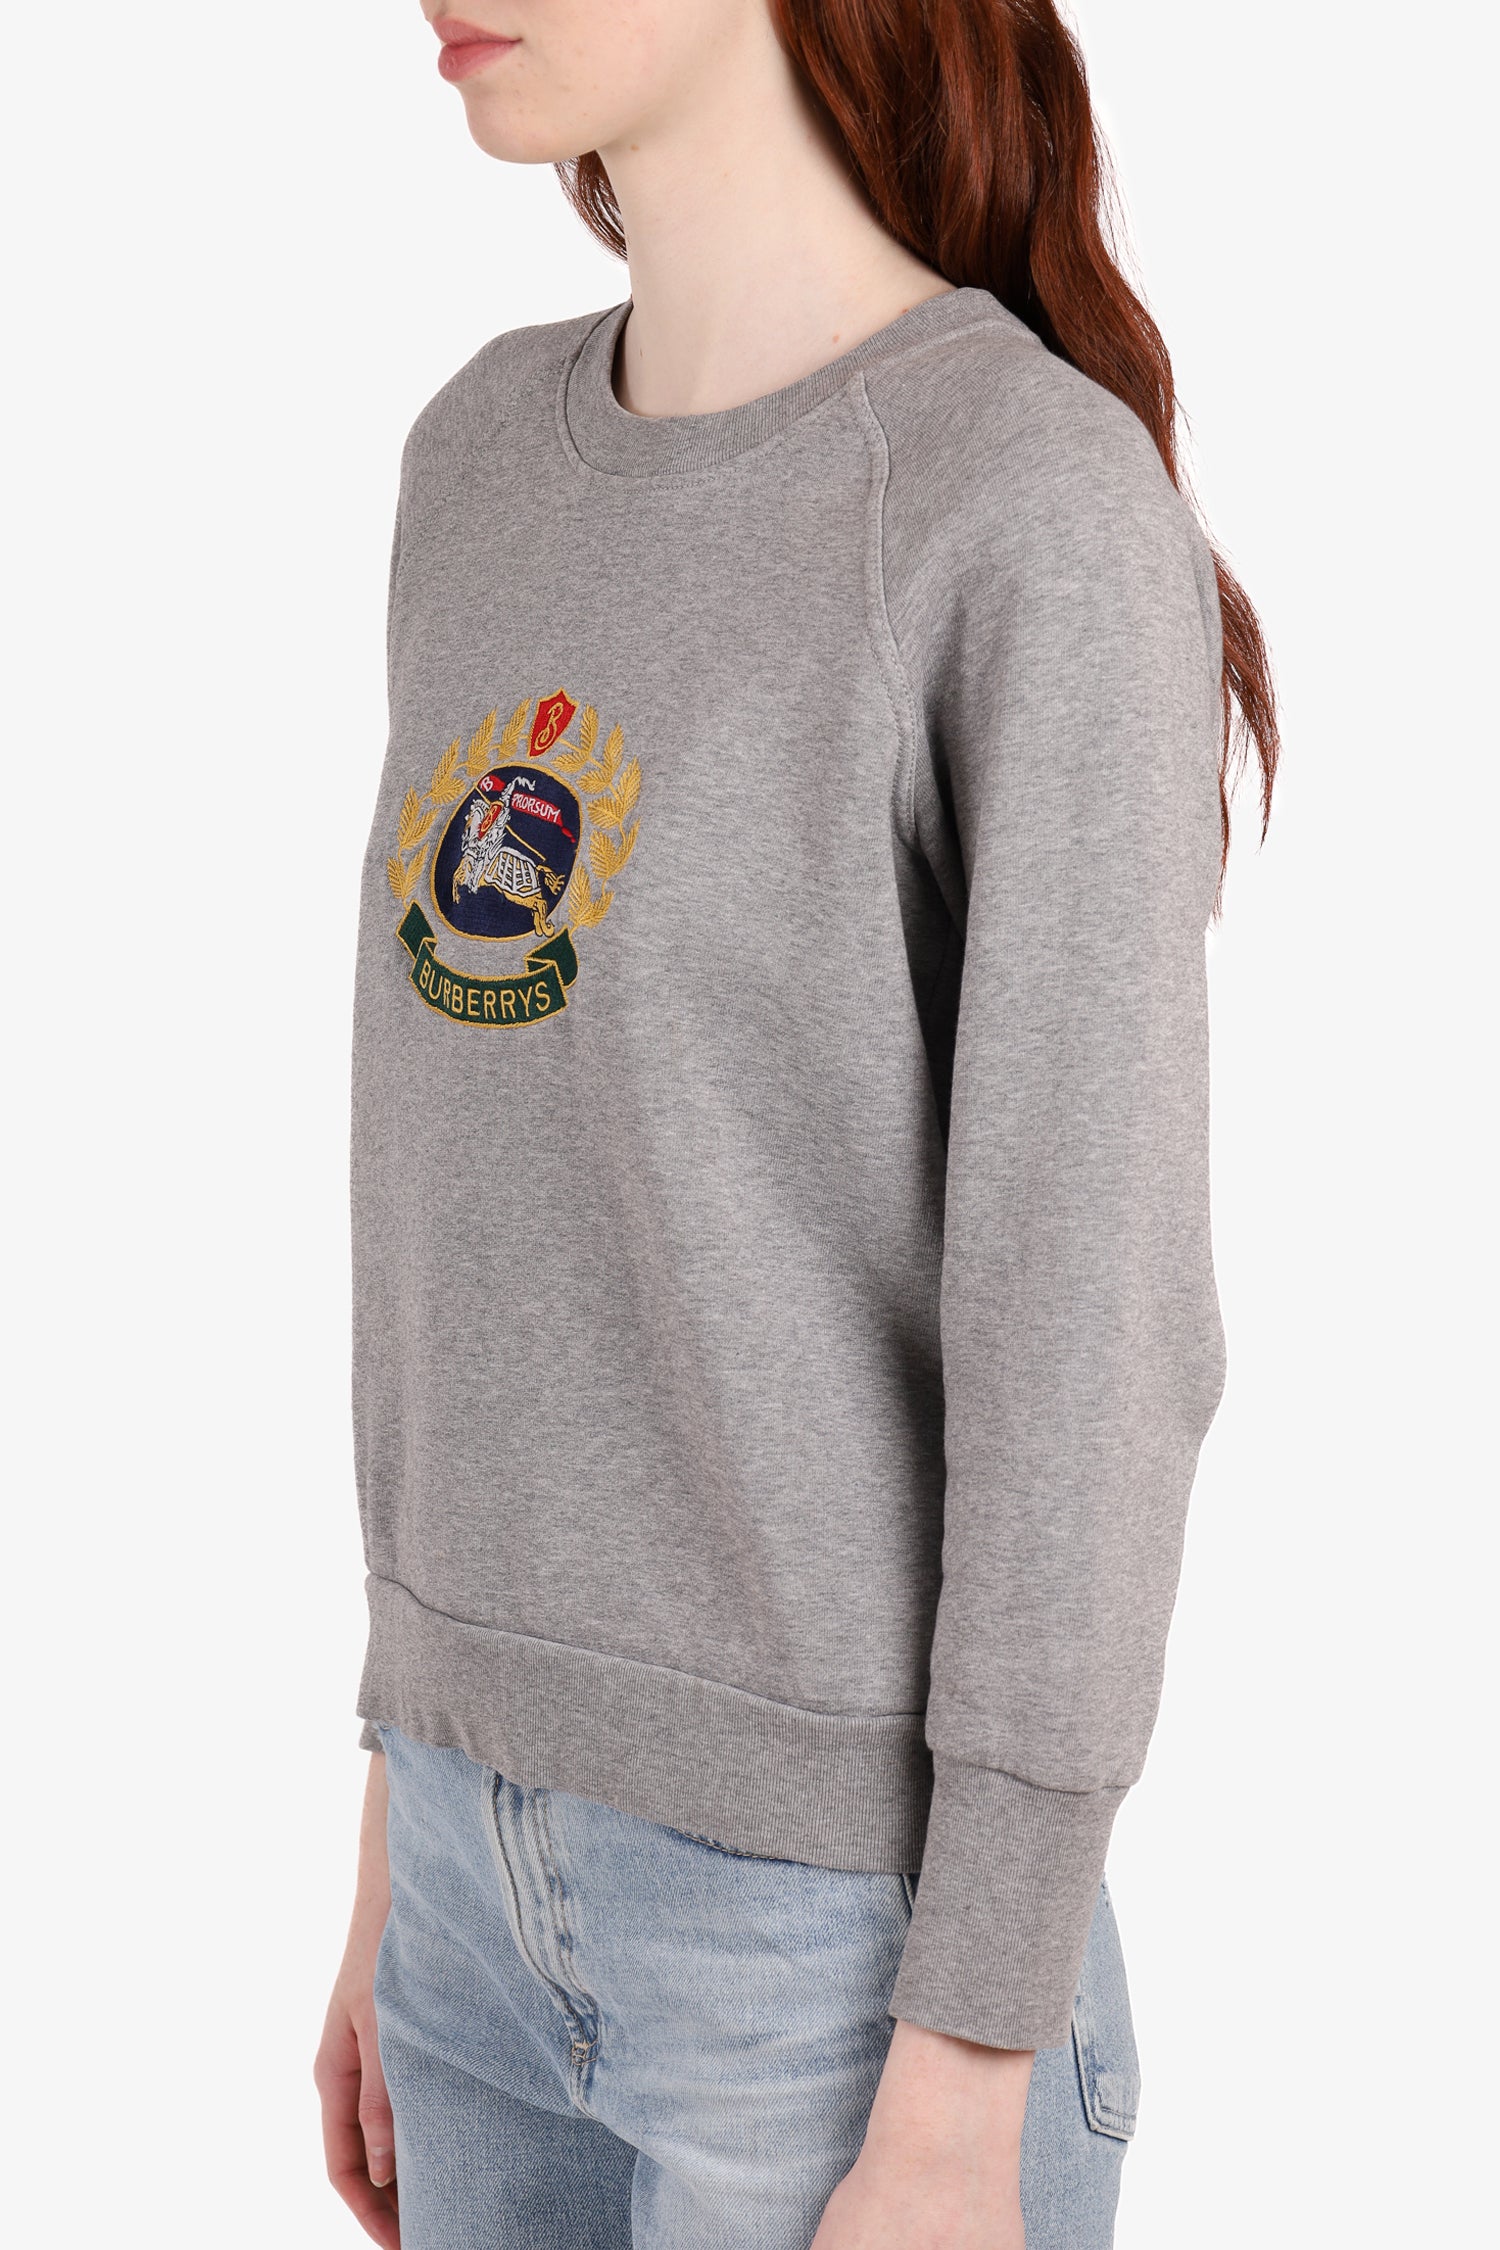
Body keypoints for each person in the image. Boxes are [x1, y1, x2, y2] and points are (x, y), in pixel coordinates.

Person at [314, 1, 1278, 2244]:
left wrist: (968, 2072)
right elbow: (480, 1230)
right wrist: (400, 1847)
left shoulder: (1023, 507)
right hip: (466, 1894)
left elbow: (1091, 1341)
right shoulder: (477, 459)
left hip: (841, 1972)